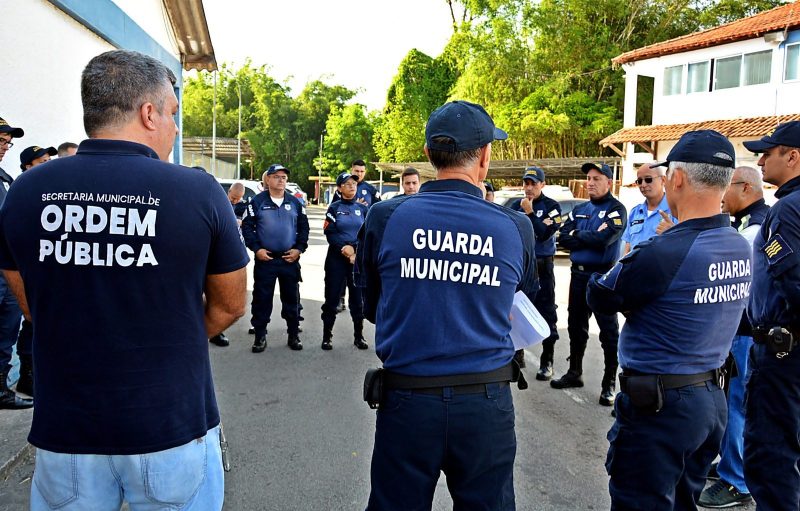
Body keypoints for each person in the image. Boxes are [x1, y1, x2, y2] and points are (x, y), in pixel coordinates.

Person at [0, 50, 248, 510]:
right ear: (148, 113)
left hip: (67, 430)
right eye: (172, 114)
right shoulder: (196, 191)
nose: (174, 128)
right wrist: (168, 338)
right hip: (169, 425)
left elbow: (30, 300)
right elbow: (231, 304)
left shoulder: (26, 191)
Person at [357, 100, 537, 510]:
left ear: (427, 156)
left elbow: (371, 305)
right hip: (484, 402)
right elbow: (520, 304)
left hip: (407, 400)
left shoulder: (386, 217)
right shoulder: (515, 226)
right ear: (486, 156)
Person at [586, 129, 750, 510]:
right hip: (709, 400)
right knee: (682, 501)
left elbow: (601, 294)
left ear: (676, 178)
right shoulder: (737, 244)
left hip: (661, 407)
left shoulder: (665, 250)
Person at [696, 165, 767, 508]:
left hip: (745, 332)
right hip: (740, 331)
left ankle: (736, 481)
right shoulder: (749, 224)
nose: (722, 197)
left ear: (745, 188)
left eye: (728, 189)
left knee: (738, 404)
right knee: (732, 401)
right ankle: (728, 463)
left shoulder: (755, 230)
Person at [741, 120, 800, 511]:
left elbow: (793, 282)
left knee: (770, 457)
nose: (761, 160)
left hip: (782, 353)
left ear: (793, 156)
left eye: (769, 151)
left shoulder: (787, 210)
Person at [551, 162, 627, 406]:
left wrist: (578, 236)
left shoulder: (616, 210)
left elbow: (604, 240)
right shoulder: (580, 208)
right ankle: (575, 372)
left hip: (603, 277)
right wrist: (583, 237)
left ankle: (609, 384)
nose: (590, 182)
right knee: (575, 325)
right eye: (588, 178)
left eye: (596, 178)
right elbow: (562, 237)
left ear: (609, 181)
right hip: (578, 275)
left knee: (608, 332)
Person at [242, 164, 309, 352]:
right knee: (262, 298)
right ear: (268, 180)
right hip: (266, 260)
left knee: (291, 298)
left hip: (289, 260)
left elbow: (304, 228)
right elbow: (247, 228)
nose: (281, 180)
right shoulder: (257, 202)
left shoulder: (295, 203)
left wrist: (299, 249)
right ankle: (260, 335)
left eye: (284, 177)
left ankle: (293, 334)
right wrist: (256, 249)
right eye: (277, 176)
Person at [509, 166, 562, 379]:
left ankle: (547, 361)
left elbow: (544, 233)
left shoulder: (552, 206)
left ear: (542, 185)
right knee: (515, 309)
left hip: (542, 266)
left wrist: (530, 213)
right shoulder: (515, 205)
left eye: (533, 183)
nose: (528, 188)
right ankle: (516, 354)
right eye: (526, 183)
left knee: (547, 311)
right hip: (521, 265)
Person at [13, 145, 58, 397]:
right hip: (22, 268)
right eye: (42, 160)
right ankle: (26, 377)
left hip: (38, 267)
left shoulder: (45, 189)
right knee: (26, 325)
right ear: (27, 166)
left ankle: (31, 375)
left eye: (50, 159)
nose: (48, 163)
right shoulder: (24, 190)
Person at [0, 116, 31, 410]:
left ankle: (1, 389)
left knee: (6, 332)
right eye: (0, 140)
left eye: (7, 141)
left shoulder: (4, 179)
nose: (5, 147)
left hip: (5, 271)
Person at [321, 172, 369, 350]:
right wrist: (346, 249)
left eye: (354, 183)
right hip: (336, 259)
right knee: (332, 299)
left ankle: (359, 336)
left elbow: (366, 235)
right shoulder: (334, 208)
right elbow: (330, 232)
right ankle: (327, 336)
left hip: (356, 260)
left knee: (357, 300)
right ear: (340, 188)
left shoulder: (363, 209)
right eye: (347, 183)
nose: (351, 186)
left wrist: (355, 252)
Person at [208, 182, 250, 348]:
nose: (234, 202)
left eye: (237, 200)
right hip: (205, 253)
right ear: (229, 192)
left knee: (220, 296)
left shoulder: (243, 207)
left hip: (225, 255)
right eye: (232, 198)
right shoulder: (217, 203)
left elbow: (250, 225)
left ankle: (215, 331)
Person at [622, 163, 676, 255]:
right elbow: (627, 248)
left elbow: (684, 247)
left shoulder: (675, 209)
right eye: (639, 181)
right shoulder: (635, 212)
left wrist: (672, 234)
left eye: (648, 179)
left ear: (663, 180)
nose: (643, 185)